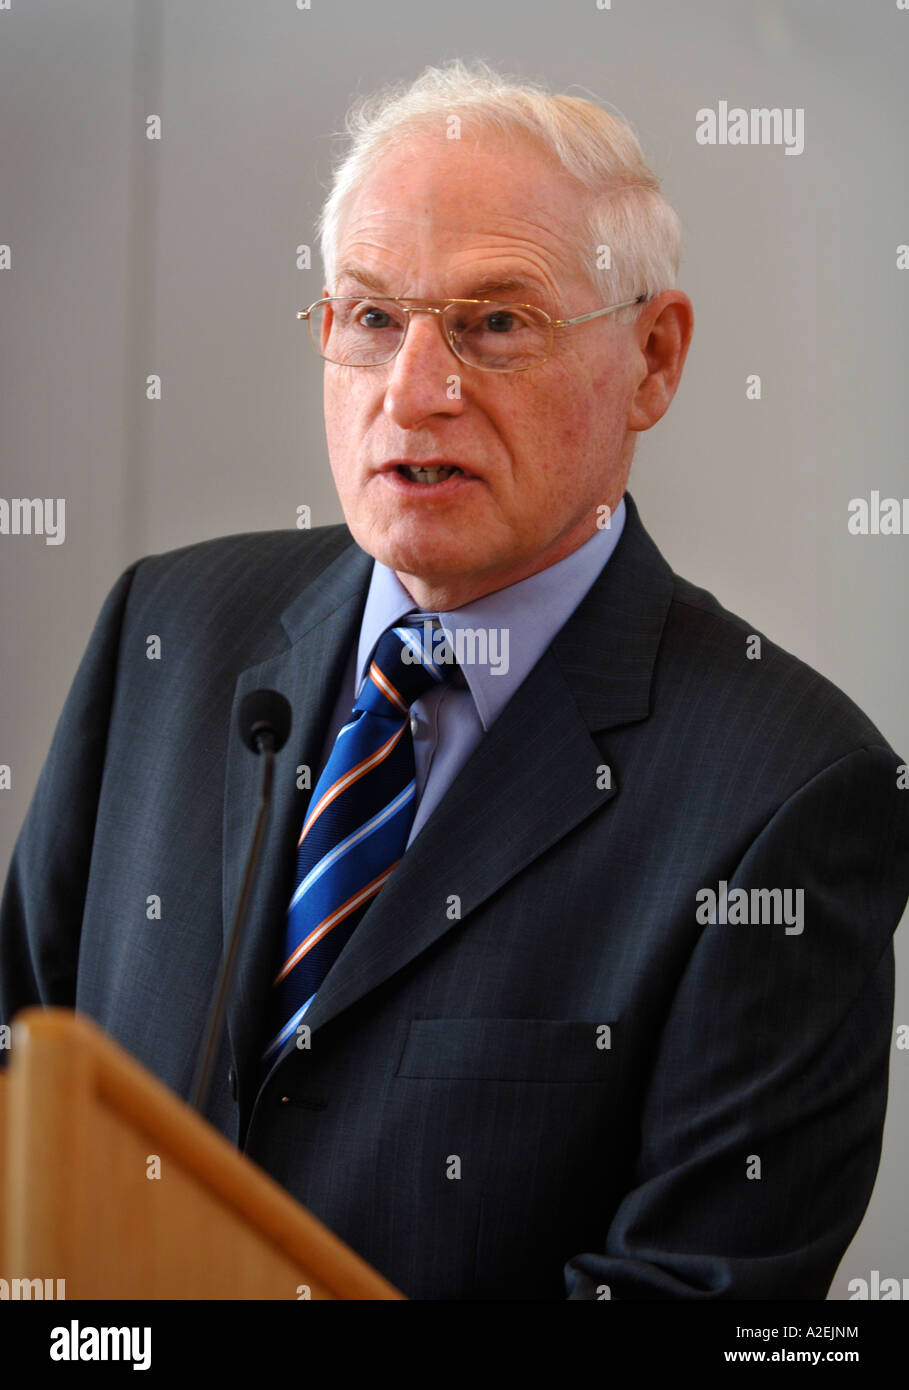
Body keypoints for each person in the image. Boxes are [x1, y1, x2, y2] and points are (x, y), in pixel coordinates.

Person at [2, 61, 907, 1301]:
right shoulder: (165, 632)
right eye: (373, 319)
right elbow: (24, 1076)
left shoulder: (791, 794)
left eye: (495, 323)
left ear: (653, 357)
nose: (415, 392)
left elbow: (689, 1297)